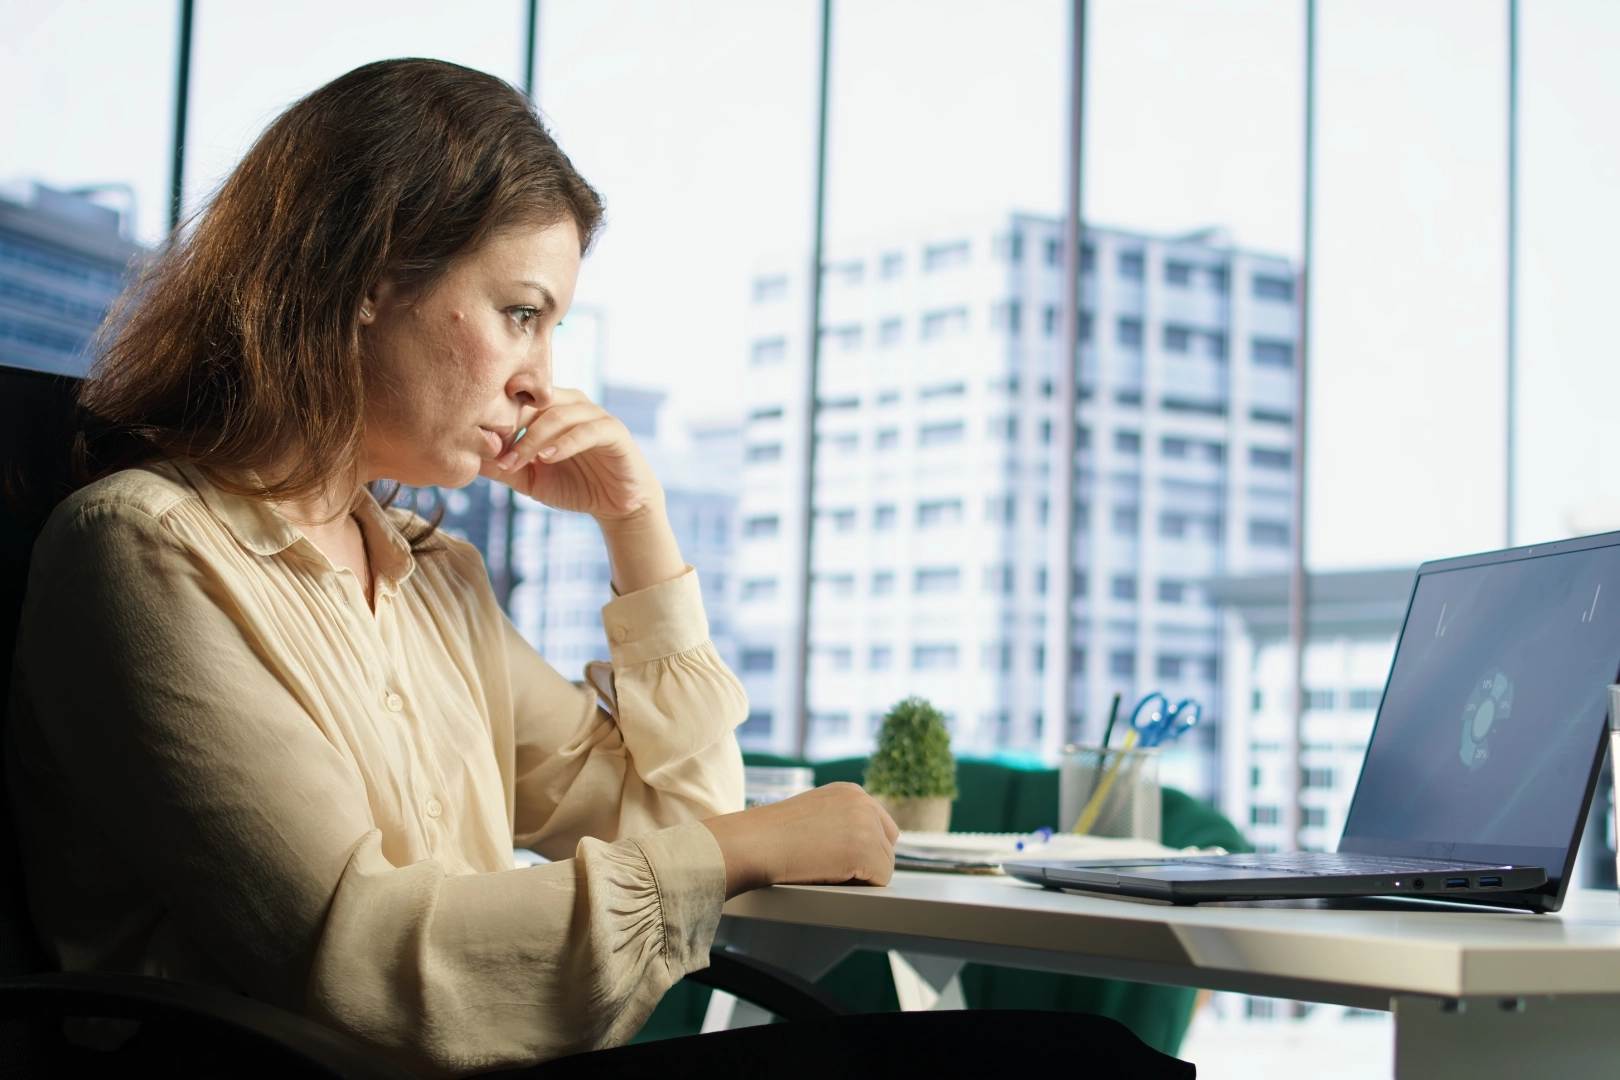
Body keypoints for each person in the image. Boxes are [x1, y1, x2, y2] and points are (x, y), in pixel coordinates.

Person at [7, 59, 1190, 1080]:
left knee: (1079, 1056)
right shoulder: (144, 552)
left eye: (554, 328)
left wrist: (638, 526)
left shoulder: (435, 582)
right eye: (520, 312)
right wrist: (745, 849)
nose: (542, 378)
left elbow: (676, 816)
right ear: (367, 277)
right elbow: (357, 958)